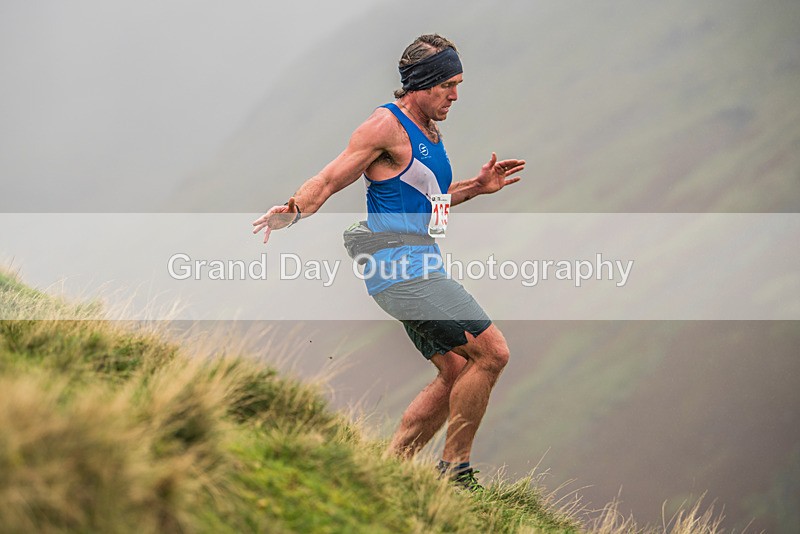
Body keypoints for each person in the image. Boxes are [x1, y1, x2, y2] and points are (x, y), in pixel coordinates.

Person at [252, 34, 525, 490]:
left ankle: (386, 472)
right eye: (448, 85)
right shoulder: (384, 127)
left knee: (456, 371)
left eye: (458, 85)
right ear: (422, 82)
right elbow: (328, 179)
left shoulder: (429, 132)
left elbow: (430, 200)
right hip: (401, 269)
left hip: (419, 264)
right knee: (493, 353)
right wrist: (293, 210)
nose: (455, 96)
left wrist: (477, 187)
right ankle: (455, 474)